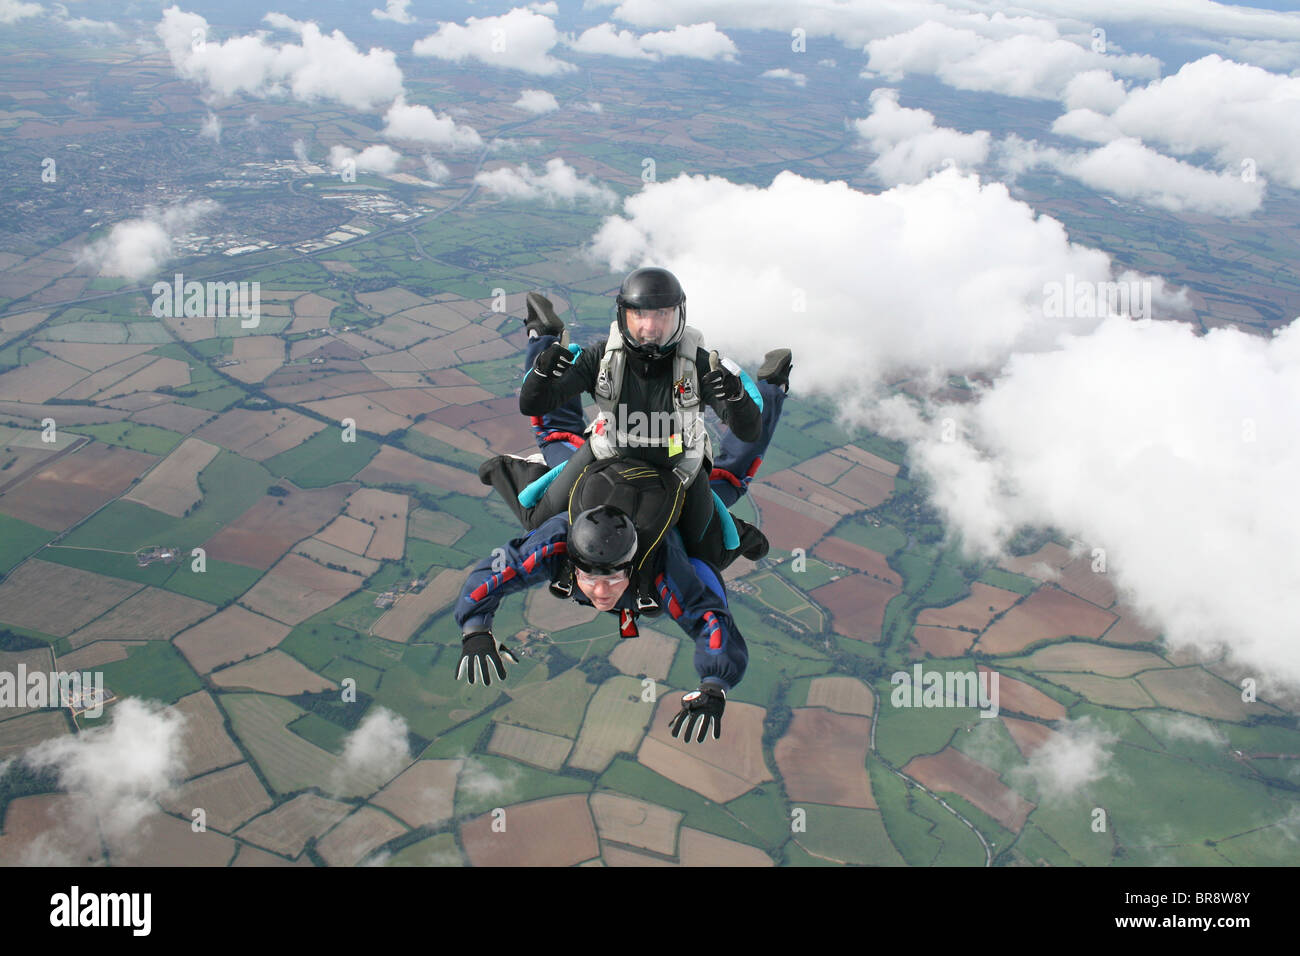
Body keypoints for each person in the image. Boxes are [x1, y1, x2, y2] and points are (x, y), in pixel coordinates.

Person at [517, 268, 766, 558]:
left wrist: (735, 396)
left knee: (708, 555)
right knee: (537, 521)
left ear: (678, 316)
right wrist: (541, 373)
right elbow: (534, 404)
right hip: (609, 449)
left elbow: (749, 431)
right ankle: (543, 336)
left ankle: (738, 528)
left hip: (678, 459)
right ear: (624, 316)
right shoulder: (602, 357)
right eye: (640, 315)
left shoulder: (700, 366)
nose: (650, 327)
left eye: (662, 315)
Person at [453, 504, 742, 743]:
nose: (602, 593)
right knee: (532, 498)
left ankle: (740, 532)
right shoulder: (555, 543)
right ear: (572, 563)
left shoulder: (665, 568)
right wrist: (475, 629)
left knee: (712, 550)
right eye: (591, 579)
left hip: (666, 527)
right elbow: (497, 570)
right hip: (591, 485)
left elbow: (709, 619)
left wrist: (715, 684)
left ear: (631, 568)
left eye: (613, 579)